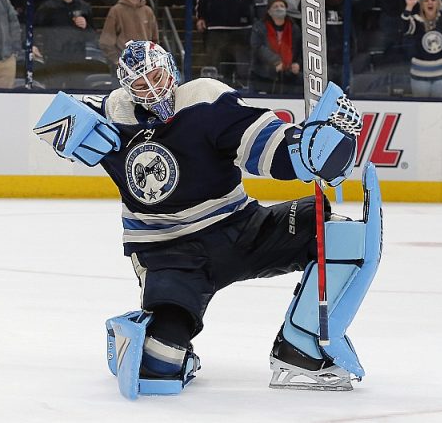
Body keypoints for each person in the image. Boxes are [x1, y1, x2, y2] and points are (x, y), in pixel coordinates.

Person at [33, 40, 380, 399]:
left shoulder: (205, 98)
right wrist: (71, 129)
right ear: (126, 87)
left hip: (241, 229)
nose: (152, 88)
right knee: (157, 370)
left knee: (338, 234)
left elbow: (264, 145)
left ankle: (301, 347)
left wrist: (308, 148)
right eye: (140, 83)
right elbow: (52, 121)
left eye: (157, 76)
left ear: (171, 69)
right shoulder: (113, 113)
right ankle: (147, 338)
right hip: (170, 255)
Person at [34, 0, 96, 89]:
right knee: (52, 96)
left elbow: (92, 36)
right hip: (54, 61)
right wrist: (34, 44)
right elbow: (35, 29)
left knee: (76, 97)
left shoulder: (83, 7)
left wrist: (85, 26)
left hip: (76, 62)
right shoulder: (47, 8)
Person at [402, 0, 442, 98]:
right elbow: (404, 28)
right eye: (426, 0)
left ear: (438, 3)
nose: (430, 2)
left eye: (433, 0)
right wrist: (408, 7)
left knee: (438, 112)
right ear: (422, 5)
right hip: (420, 74)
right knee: (421, 111)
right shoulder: (416, 20)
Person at [99, 0, 159, 70]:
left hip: (145, 66)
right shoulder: (116, 11)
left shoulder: (148, 11)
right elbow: (106, 42)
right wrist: (117, 61)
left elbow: (155, 40)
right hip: (123, 66)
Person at [249, 0, 302, 94]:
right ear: (269, 11)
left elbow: (300, 50)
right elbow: (258, 47)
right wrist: (276, 61)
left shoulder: (294, 28)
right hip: (263, 77)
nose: (279, 9)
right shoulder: (259, 27)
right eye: (276, 6)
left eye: (282, 6)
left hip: (289, 78)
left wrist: (298, 64)